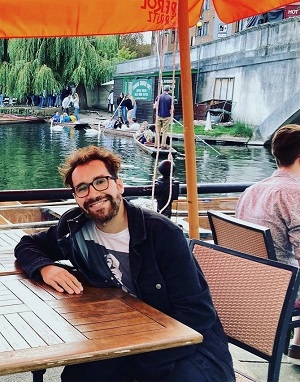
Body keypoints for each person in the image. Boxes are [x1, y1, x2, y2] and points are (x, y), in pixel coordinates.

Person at [15, 145, 235, 382]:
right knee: (79, 376)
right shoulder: (74, 228)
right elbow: (26, 245)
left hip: (185, 342)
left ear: (119, 185)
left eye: (100, 181)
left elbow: (197, 313)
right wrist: (45, 267)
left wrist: (141, 361)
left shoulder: (161, 233)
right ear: (76, 197)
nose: (93, 193)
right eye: (82, 188)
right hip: (122, 333)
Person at [235, 124, 300, 365]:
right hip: (280, 289)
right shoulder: (295, 194)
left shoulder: (252, 190)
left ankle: (297, 346)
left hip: (248, 282)